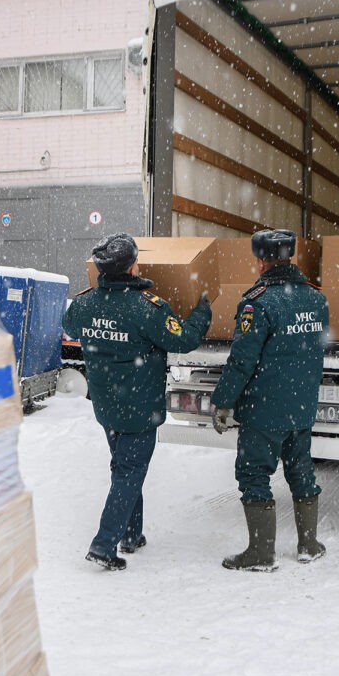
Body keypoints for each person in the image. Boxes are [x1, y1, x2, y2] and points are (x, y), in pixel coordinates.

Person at [63, 233, 212, 571]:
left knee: (125, 468)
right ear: (132, 267)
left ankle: (131, 535)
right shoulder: (148, 308)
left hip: (106, 406)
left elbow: (70, 327)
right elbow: (186, 338)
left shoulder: (85, 303)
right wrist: (202, 308)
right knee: (129, 472)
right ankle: (104, 545)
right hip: (140, 408)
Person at [210, 229, 329, 571]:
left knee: (253, 474)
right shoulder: (315, 298)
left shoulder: (257, 302)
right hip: (302, 406)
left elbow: (242, 360)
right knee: (301, 471)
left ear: (260, 262)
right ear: (290, 258)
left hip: (264, 409)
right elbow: (312, 350)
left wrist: (223, 401)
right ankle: (309, 545)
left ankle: (261, 554)